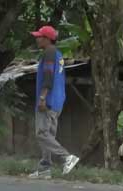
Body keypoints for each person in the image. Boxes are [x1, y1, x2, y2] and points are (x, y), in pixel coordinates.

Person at [29, 25, 79, 179]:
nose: (37, 39)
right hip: (58, 100)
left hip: (48, 100)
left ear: (47, 39)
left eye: (39, 36)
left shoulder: (49, 52)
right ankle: (45, 168)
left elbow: (49, 76)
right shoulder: (58, 54)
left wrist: (43, 97)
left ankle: (66, 157)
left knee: (42, 133)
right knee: (49, 135)